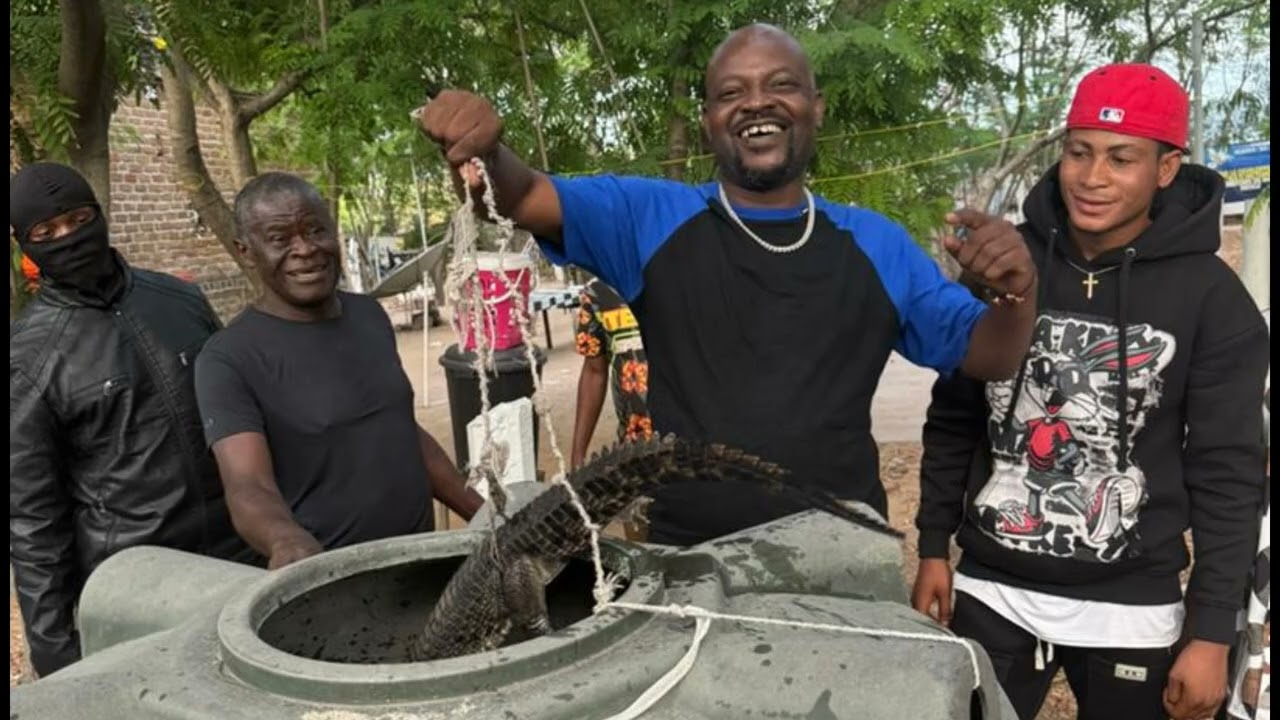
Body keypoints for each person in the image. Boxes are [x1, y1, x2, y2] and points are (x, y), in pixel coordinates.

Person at [419, 23, 1038, 545]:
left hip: (842, 551)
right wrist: (486, 151)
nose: (756, 103)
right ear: (711, 118)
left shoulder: (878, 244)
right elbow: (523, 194)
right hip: (688, 558)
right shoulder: (649, 219)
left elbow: (991, 352)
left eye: (782, 85)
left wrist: (1015, 292)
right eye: (731, 92)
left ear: (816, 107)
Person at [910, 64, 1269, 720]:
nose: (1093, 177)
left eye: (1121, 158)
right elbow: (956, 414)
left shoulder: (1212, 301)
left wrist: (1212, 630)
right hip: (993, 589)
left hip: (1133, 608)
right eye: (1079, 152)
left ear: (1165, 169)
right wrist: (935, 543)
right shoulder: (1006, 263)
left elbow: (1227, 473)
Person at [9, 162, 253, 678]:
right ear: (24, 247)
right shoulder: (27, 358)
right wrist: (56, 655)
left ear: (99, 215)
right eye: (46, 233)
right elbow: (33, 518)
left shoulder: (180, 300)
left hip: (240, 561)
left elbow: (242, 418)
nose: (69, 238)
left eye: (78, 219)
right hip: (141, 591)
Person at [194, 173, 483, 570]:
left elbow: (400, 430)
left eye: (315, 230)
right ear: (246, 252)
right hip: (336, 584)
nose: (306, 249)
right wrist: (285, 538)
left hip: (424, 564)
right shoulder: (228, 359)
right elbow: (248, 484)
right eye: (280, 239)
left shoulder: (368, 315)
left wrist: (481, 512)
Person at [570, 277, 653, 469]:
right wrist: (578, 457)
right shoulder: (599, 292)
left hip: (695, 443)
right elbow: (594, 372)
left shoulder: (689, 275)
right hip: (635, 449)